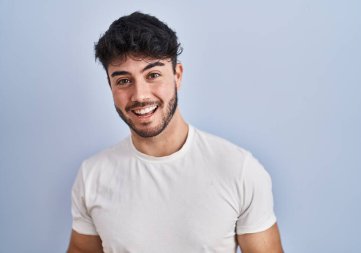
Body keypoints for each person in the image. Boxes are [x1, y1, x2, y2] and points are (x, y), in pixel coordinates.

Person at [67, 11, 283, 253]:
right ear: (110, 85)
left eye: (153, 75)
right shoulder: (92, 176)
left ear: (177, 75)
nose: (140, 95)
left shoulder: (239, 170)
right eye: (124, 81)